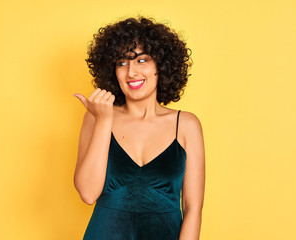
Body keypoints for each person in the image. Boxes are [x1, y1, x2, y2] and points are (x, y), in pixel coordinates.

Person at [73, 16, 205, 240]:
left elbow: (193, 208)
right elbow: (87, 193)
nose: (131, 72)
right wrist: (104, 121)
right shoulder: (96, 117)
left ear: (160, 65)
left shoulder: (187, 125)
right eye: (122, 63)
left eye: (141, 60)